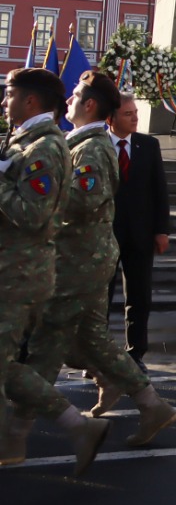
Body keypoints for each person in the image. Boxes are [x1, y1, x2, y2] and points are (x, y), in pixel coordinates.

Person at [4, 70, 176, 463]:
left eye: (74, 99)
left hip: (79, 262)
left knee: (45, 347)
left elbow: (84, 201)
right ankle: (151, 404)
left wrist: (40, 202)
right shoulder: (82, 144)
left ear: (90, 105)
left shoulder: (92, 148)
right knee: (93, 340)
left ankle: (19, 434)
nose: (66, 105)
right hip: (82, 259)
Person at [0, 68, 111, 475]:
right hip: (11, 269)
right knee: (6, 365)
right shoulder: (25, 142)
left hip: (20, 275)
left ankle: (71, 427)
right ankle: (78, 426)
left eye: (8, 94)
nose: (3, 102)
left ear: (30, 101)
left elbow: (33, 214)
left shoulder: (46, 148)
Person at [107, 91, 170, 369]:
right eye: (128, 113)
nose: (135, 117)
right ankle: (96, 356)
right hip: (104, 234)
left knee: (139, 296)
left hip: (141, 234)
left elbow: (160, 191)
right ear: (110, 118)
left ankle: (135, 353)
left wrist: (161, 230)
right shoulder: (97, 146)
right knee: (101, 298)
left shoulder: (148, 144)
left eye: (136, 112)